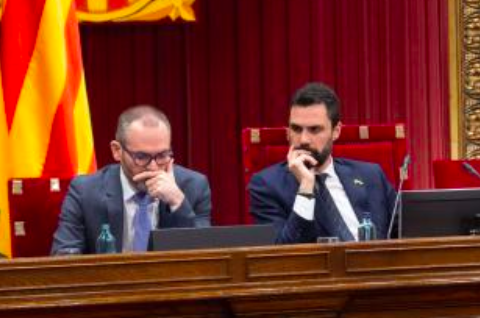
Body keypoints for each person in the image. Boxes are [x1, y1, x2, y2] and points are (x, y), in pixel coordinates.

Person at [248, 82, 397, 243]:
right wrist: (306, 188)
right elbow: (284, 256)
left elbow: (408, 232)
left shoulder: (371, 175)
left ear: (336, 131)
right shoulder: (267, 186)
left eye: (315, 130)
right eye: (296, 129)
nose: (304, 140)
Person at [51, 106, 211, 253]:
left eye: (162, 156)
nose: (153, 167)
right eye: (141, 157)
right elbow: (64, 257)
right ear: (117, 151)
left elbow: (207, 259)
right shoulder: (85, 191)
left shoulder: (193, 187)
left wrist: (177, 202)